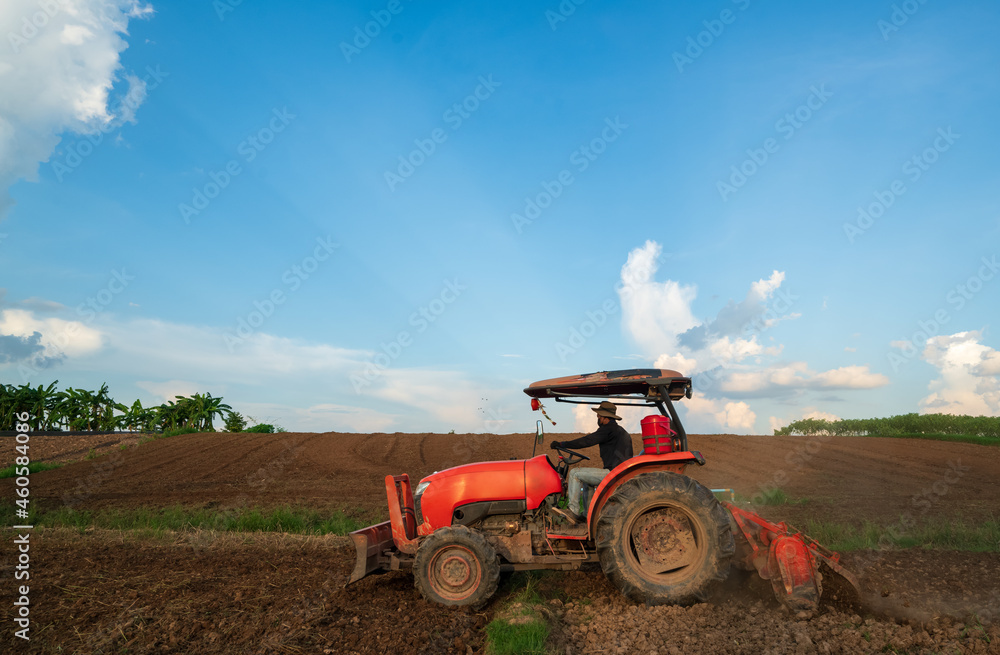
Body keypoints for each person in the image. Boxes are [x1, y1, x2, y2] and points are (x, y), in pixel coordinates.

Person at [549, 400, 632, 523]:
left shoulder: (608, 429)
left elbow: (587, 441)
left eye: (599, 416)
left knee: (575, 474)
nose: (597, 418)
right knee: (586, 480)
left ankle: (573, 511)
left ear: (604, 417)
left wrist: (563, 444)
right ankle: (587, 515)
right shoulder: (619, 430)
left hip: (612, 472)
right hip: (619, 472)